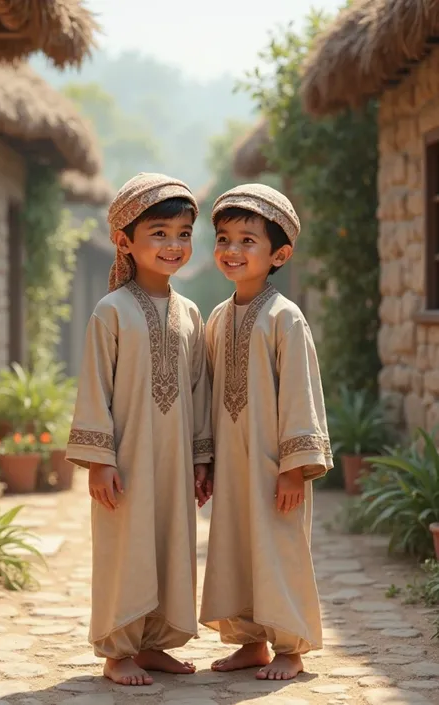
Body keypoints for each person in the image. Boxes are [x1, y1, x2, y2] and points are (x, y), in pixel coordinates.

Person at [66, 173, 214, 687]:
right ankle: (118, 649)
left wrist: (201, 459)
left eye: (183, 233)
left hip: (173, 460)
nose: (173, 245)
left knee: (170, 543)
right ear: (124, 241)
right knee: (126, 547)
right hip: (126, 461)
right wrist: (100, 461)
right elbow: (94, 390)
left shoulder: (191, 314)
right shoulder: (111, 312)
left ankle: (154, 644)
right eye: (159, 233)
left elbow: (198, 391)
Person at [199, 183, 332, 681]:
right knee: (235, 545)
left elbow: (300, 394)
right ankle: (250, 641)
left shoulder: (285, 318)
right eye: (224, 239)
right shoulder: (217, 318)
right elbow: (212, 395)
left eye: (247, 241)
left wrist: (296, 470)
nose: (232, 250)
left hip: (276, 465)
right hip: (233, 464)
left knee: (279, 548)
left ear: (280, 253)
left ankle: (291, 647)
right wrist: (206, 460)